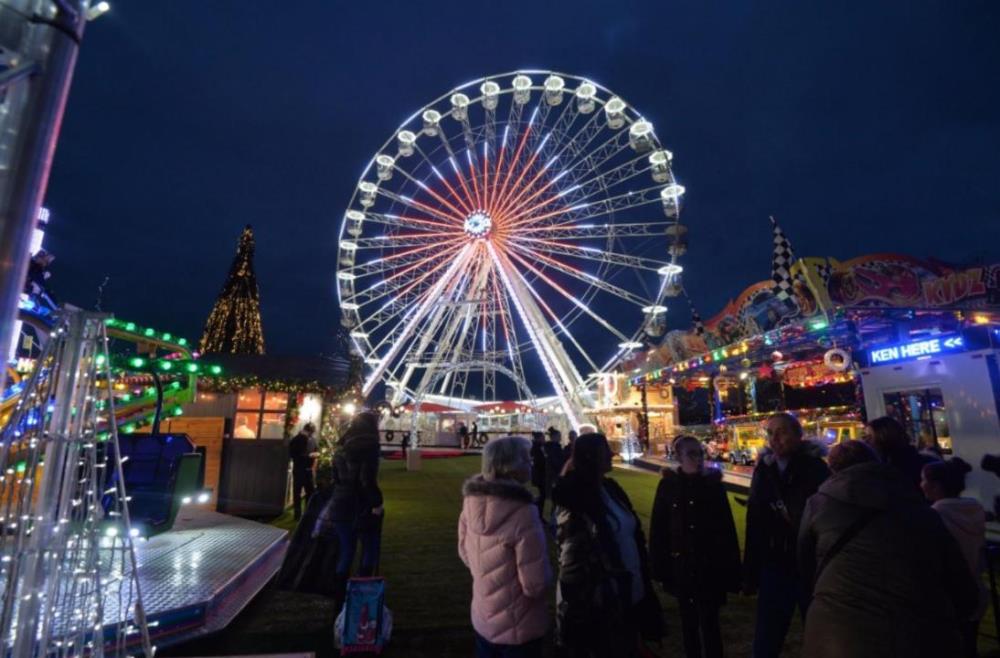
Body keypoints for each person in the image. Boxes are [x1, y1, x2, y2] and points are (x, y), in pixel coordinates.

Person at [798, 441, 979, 657]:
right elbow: (958, 578)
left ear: (833, 469)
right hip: (918, 633)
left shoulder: (818, 505)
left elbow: (806, 565)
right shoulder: (916, 506)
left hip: (838, 633)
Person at [551, 432, 663, 657]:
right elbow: (570, 555)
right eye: (606, 451)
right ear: (591, 456)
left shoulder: (611, 488)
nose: (612, 455)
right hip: (602, 597)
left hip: (631, 587)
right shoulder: (574, 498)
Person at [743, 412, 829, 658]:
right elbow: (754, 520)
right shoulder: (764, 469)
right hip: (774, 562)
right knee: (766, 637)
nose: (775, 439)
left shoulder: (816, 469)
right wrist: (750, 570)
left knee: (818, 634)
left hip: (809, 564)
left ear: (798, 435)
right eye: (770, 433)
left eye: (781, 432)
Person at [458, 436, 551, 658]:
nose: (531, 464)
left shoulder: (471, 503)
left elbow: (465, 552)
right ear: (511, 467)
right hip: (519, 625)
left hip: (483, 616)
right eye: (526, 460)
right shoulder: (523, 512)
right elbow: (535, 584)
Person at [649, 436, 740, 658]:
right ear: (678, 457)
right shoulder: (668, 486)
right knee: (688, 624)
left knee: (710, 624)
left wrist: (732, 568)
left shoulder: (713, 486)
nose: (698, 458)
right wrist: (659, 566)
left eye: (699, 453)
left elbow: (726, 529)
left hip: (709, 566)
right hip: (682, 566)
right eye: (691, 454)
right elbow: (659, 528)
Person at [314, 411, 385, 610]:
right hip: (361, 506)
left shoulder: (342, 448)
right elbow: (366, 481)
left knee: (346, 551)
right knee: (369, 549)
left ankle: (339, 598)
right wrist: (376, 503)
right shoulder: (369, 447)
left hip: (340, 505)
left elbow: (336, 479)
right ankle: (363, 597)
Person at [922, 458, 987, 657]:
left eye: (923, 480)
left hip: (946, 597)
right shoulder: (976, 510)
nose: (920, 484)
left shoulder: (931, 516)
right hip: (975, 592)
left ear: (936, 486)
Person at [863, 415, 937, 491]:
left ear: (884, 437)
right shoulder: (926, 461)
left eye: (870, 437)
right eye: (865, 437)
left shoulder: (885, 470)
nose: (866, 441)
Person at [288, 422, 319, 520]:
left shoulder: (309, 439)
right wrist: (310, 455)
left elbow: (316, 450)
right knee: (301, 492)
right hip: (301, 468)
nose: (311, 434)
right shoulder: (298, 439)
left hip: (305, 469)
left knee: (306, 492)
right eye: (311, 432)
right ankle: (299, 514)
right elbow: (294, 454)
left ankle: (303, 514)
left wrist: (314, 454)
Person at [529, 431, 547, 513]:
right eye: (543, 438)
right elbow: (540, 462)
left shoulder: (533, 447)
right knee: (541, 497)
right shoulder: (538, 449)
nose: (544, 440)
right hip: (539, 477)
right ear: (539, 438)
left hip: (536, 476)